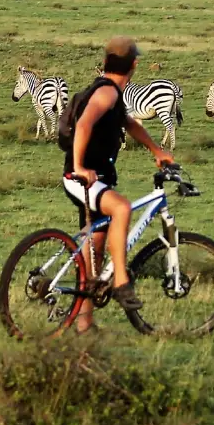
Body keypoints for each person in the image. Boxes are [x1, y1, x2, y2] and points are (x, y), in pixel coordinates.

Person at [61, 36, 174, 334]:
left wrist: (157, 151)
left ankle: (84, 323)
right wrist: (79, 168)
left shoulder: (112, 93)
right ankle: (123, 282)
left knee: (94, 249)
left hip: (96, 179)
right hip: (83, 179)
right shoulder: (107, 93)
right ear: (134, 65)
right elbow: (84, 124)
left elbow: (129, 123)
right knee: (122, 207)